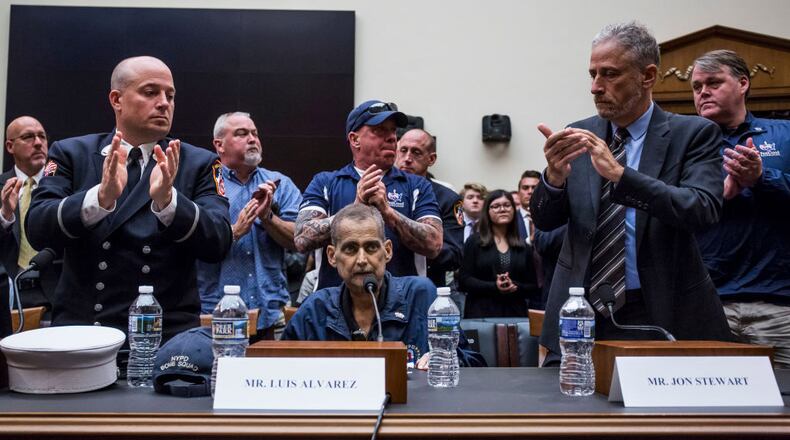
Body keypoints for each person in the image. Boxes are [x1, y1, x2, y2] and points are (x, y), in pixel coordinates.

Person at [530, 22, 732, 364]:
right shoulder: (579, 133)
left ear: (647, 76)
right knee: (569, 414)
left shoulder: (694, 134)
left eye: (609, 74)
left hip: (658, 309)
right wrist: (553, 179)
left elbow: (702, 209)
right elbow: (545, 221)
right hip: (579, 309)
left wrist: (622, 176)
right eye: (592, 74)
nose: (596, 87)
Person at [27, 56, 232, 342]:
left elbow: (219, 241)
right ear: (116, 99)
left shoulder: (199, 162)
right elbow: (37, 227)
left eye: (170, 95)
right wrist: (99, 198)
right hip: (83, 333)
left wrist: (169, 202)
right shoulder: (71, 153)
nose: (164, 103)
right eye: (150, 93)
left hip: (166, 336)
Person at [283, 204, 485, 368]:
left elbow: (473, 363)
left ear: (387, 251)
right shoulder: (316, 307)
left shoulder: (422, 295)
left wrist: (448, 361)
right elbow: (277, 367)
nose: (362, 260)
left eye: (371, 247)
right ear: (332, 256)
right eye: (350, 249)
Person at [691, 50, 790, 368]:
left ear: (743, 83)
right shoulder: (683, 144)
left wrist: (762, 179)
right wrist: (719, 196)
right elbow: (667, 210)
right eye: (696, 87)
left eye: (713, 82)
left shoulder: (784, 135)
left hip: (779, 307)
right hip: (709, 304)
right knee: (708, 413)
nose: (703, 92)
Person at [295, 100, 442, 290]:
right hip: (336, 306)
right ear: (355, 139)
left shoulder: (417, 185)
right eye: (380, 130)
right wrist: (355, 208)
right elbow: (301, 239)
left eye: (393, 131)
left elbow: (434, 245)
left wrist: (388, 213)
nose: (392, 138)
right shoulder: (325, 182)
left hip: (402, 305)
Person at [197, 112, 302, 340]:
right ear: (219, 145)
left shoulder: (280, 184)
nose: (253, 139)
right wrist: (233, 232)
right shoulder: (205, 185)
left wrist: (267, 217)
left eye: (254, 133)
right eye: (242, 134)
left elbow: (299, 240)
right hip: (217, 314)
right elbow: (192, 241)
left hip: (271, 312)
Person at [1, 116, 60, 313]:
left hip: (56, 292)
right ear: (10, 146)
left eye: (42, 137)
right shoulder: (2, 187)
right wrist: (5, 216)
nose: (38, 143)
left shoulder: (61, 183)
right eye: (28, 137)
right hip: (10, 292)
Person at [395, 128, 463, 289]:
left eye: (416, 152)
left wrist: (418, 242)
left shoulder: (448, 198)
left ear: (431, 159)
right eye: (403, 150)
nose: (407, 158)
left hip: (428, 288)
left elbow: (454, 255)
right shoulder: (383, 191)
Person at [458, 190, 539, 318]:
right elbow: (463, 281)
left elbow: (533, 287)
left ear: (513, 210)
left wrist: (515, 286)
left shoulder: (524, 246)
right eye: (496, 206)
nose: (502, 209)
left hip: (515, 316)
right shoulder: (474, 242)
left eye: (507, 205)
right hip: (480, 316)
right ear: (487, 212)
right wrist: (494, 286)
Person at [515, 170, 540, 243]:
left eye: (534, 187)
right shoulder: (511, 220)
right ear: (518, 193)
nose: (530, 192)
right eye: (525, 188)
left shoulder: (553, 218)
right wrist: (528, 241)